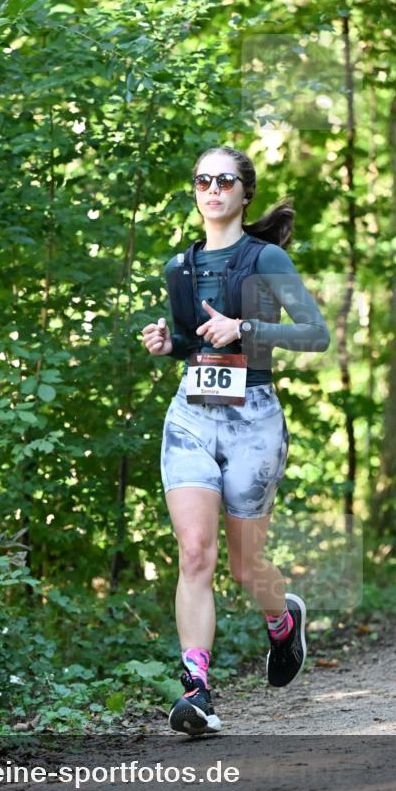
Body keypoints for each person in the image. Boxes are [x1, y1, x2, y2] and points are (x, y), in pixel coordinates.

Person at [141, 145, 330, 736]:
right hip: (192, 414)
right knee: (195, 551)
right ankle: (196, 691)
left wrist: (244, 326)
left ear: (245, 193)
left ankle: (283, 621)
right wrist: (166, 344)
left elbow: (316, 334)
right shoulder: (179, 267)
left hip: (254, 416)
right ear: (195, 191)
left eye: (226, 180)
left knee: (248, 567)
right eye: (202, 180)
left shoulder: (266, 257)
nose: (213, 188)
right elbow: (189, 341)